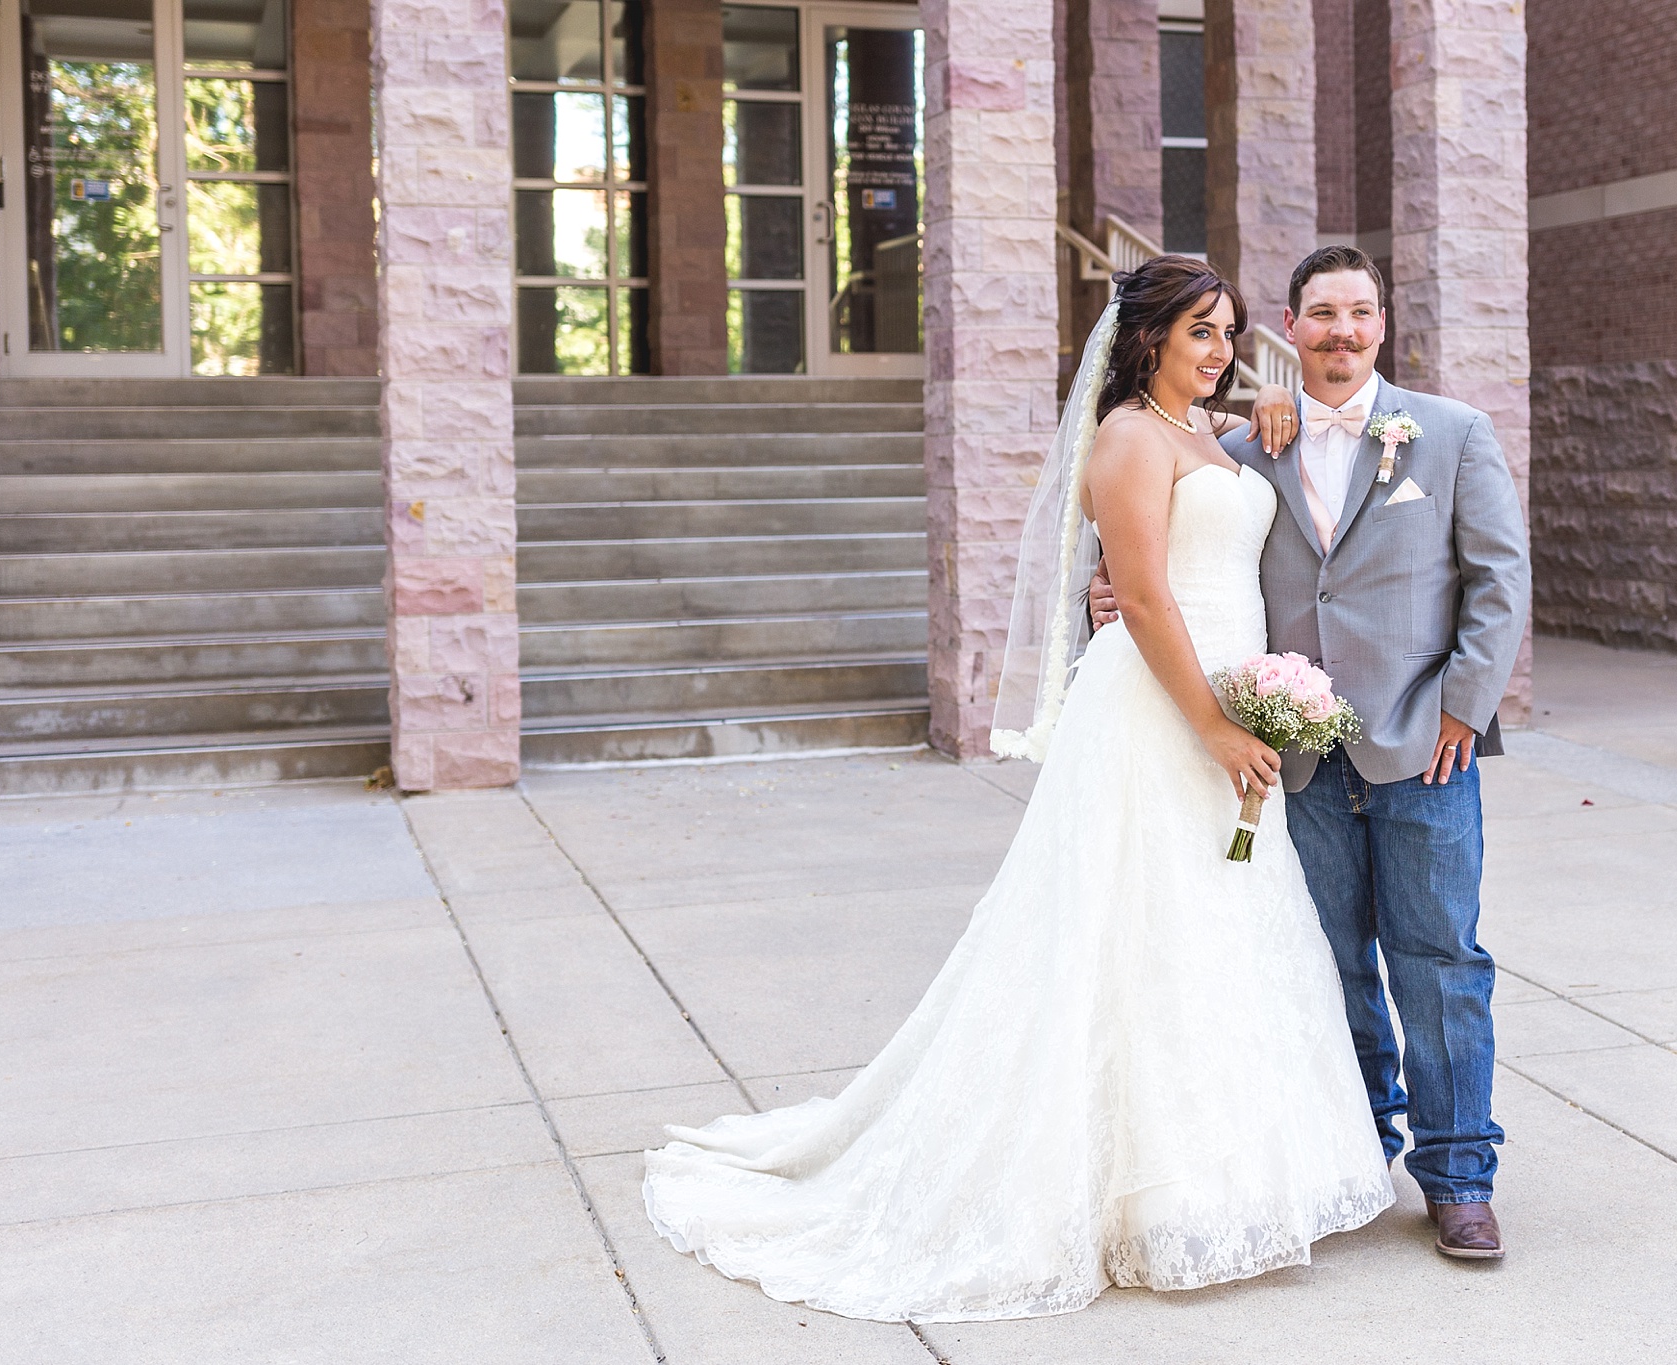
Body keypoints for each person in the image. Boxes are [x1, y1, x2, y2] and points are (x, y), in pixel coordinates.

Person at [642, 256, 1395, 1323]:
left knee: (1209, 937)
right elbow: (1136, 594)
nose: (1220, 351)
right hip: (1162, 716)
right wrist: (1217, 727)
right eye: (1199, 334)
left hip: (1221, 704)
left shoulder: (1195, 433)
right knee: (1126, 938)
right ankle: (1134, 1198)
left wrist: (1264, 408)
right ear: (1145, 342)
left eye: (1227, 332)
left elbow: (1228, 488)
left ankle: (1216, 1183)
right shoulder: (1130, 438)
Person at [1091, 244, 1531, 1258]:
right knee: (1325, 963)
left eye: (1359, 313)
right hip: (1293, 757)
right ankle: (1353, 1150)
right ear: (1288, 329)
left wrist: (1463, 708)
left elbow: (1497, 580)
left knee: (1439, 963)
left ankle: (1458, 1174)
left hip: (1423, 747)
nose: (1340, 330)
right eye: (1320, 313)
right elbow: (1146, 556)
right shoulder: (1243, 448)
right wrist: (1098, 597)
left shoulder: (1452, 433)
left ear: (1382, 325)